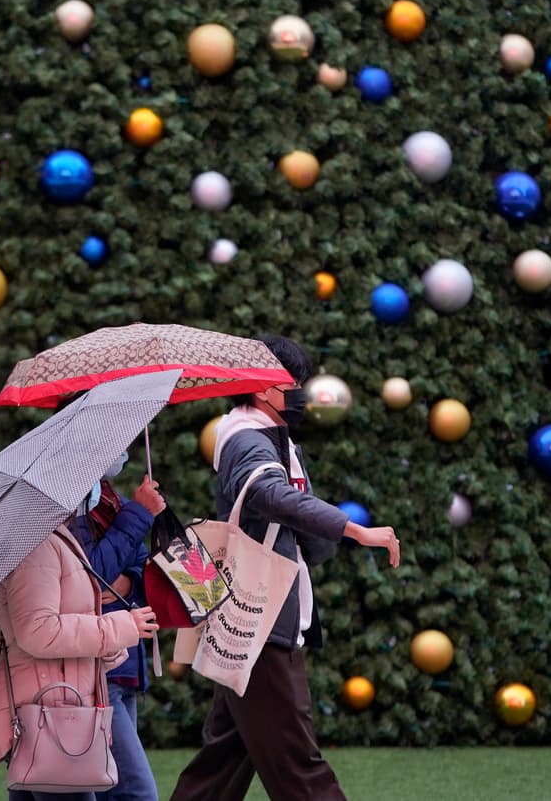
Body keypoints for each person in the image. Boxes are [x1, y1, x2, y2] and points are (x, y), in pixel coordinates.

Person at [170, 335, 402, 801]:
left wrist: (322, 540)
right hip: (260, 617)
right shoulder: (248, 440)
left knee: (224, 760)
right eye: (292, 382)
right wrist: (354, 530)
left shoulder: (262, 437)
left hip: (253, 613)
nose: (300, 392)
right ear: (262, 387)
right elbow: (267, 494)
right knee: (298, 763)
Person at [0, 517, 161, 801]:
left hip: (49, 707)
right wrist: (117, 628)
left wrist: (110, 645)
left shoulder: (46, 539)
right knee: (136, 793)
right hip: (50, 713)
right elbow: (37, 631)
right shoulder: (37, 547)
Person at [69, 451, 165, 801]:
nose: (121, 453)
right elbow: (93, 573)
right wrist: (139, 513)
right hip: (98, 670)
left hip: (123, 661)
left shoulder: (110, 501)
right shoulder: (74, 509)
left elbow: (142, 565)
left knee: (112, 788)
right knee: (136, 792)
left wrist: (129, 580)